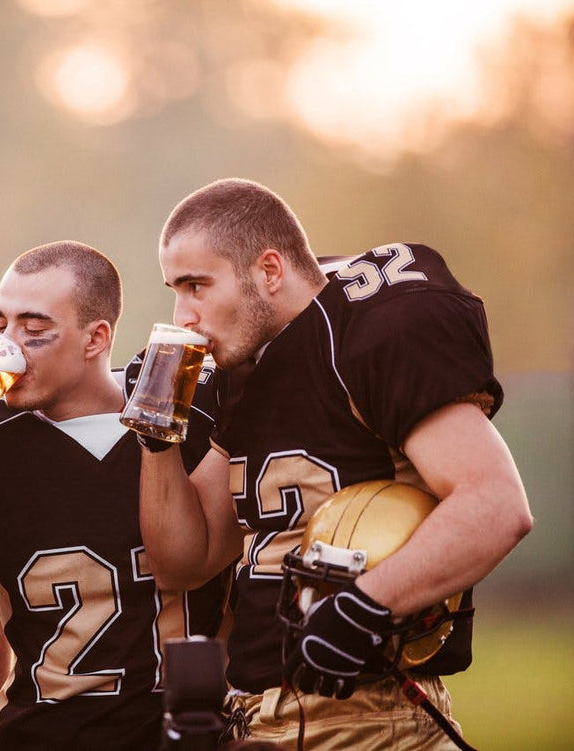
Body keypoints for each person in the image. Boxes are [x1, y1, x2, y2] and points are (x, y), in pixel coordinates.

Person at [135, 178, 533, 747]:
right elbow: (185, 559)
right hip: (253, 720)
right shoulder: (247, 366)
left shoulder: (365, 334)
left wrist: (367, 604)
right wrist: (158, 440)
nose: (184, 315)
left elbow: (496, 504)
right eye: (175, 289)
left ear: (269, 271)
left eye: (197, 286)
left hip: (369, 717)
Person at [0, 241, 231, 750]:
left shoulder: (192, 417)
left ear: (96, 338)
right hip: (43, 736)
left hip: (187, 735)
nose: (8, 346)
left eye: (33, 332)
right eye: (0, 326)